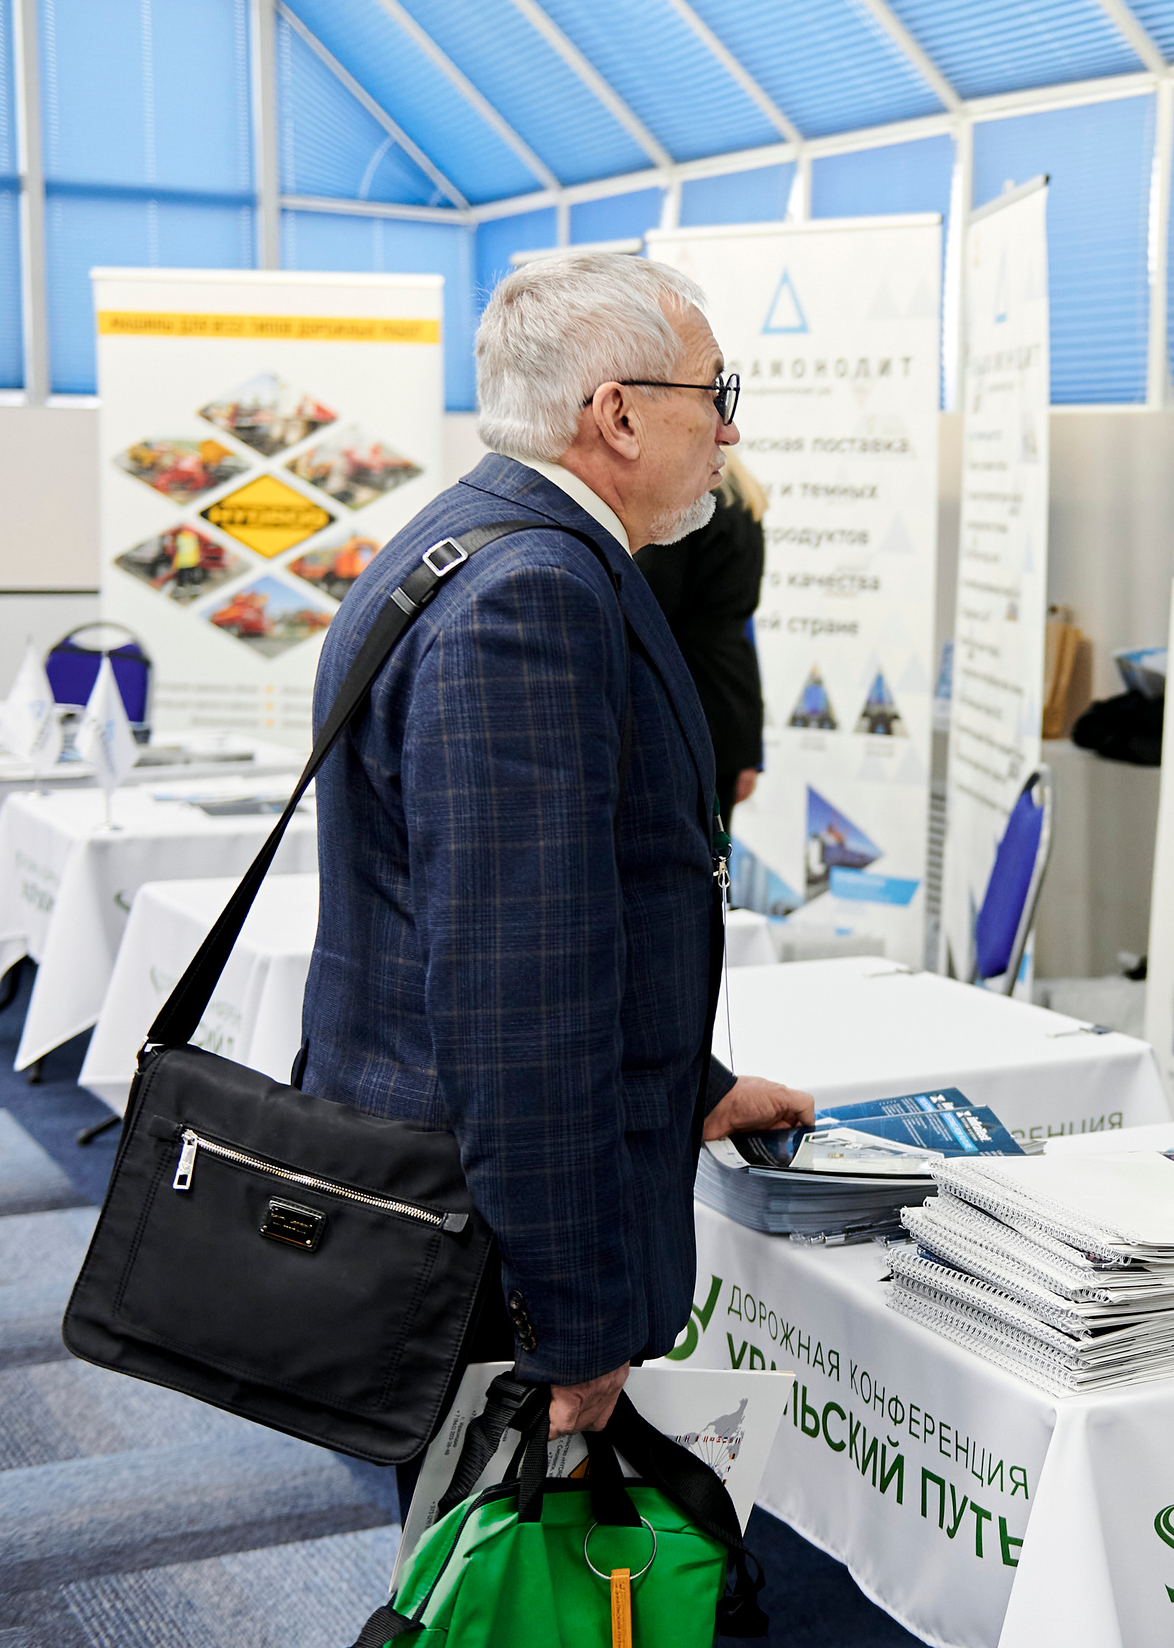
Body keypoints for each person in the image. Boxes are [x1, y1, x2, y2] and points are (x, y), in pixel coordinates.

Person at [300, 251, 815, 1463]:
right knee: (504, 1556)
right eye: (714, 391)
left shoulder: (476, 537)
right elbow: (516, 992)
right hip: (485, 1243)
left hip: (457, 1192)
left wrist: (690, 1086)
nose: (730, 428)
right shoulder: (532, 594)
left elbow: (561, 907)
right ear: (618, 414)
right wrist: (572, 1322)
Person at [634, 450, 767, 828]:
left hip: (689, 701)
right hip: (732, 697)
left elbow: (651, 609)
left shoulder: (690, 509)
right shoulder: (744, 501)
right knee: (714, 847)